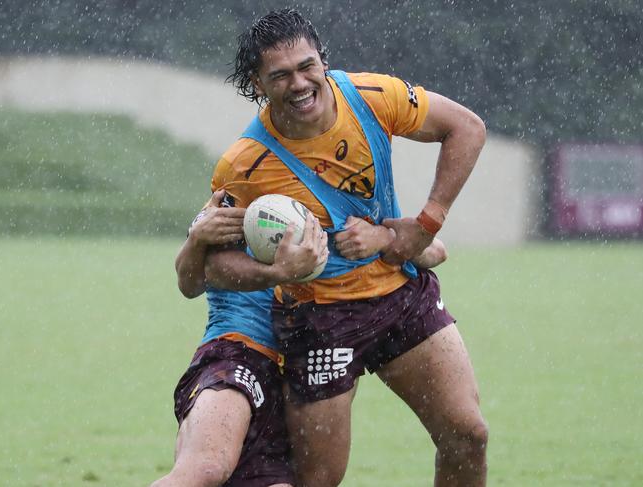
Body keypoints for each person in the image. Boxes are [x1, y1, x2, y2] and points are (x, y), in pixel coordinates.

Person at [203, 9, 489, 487]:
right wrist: (278, 274)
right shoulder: (244, 165)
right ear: (257, 84)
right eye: (280, 75)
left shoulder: (374, 97)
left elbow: (468, 128)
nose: (298, 83)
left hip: (400, 296)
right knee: (319, 480)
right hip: (318, 322)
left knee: (467, 434)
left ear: (323, 61)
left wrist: (426, 223)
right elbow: (215, 267)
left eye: (306, 66)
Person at [152, 191, 449, 487]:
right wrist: (197, 239)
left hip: (305, 375)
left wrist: (384, 238)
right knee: (206, 467)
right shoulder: (236, 193)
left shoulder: (339, 193)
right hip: (237, 354)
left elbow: (436, 250)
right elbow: (188, 283)